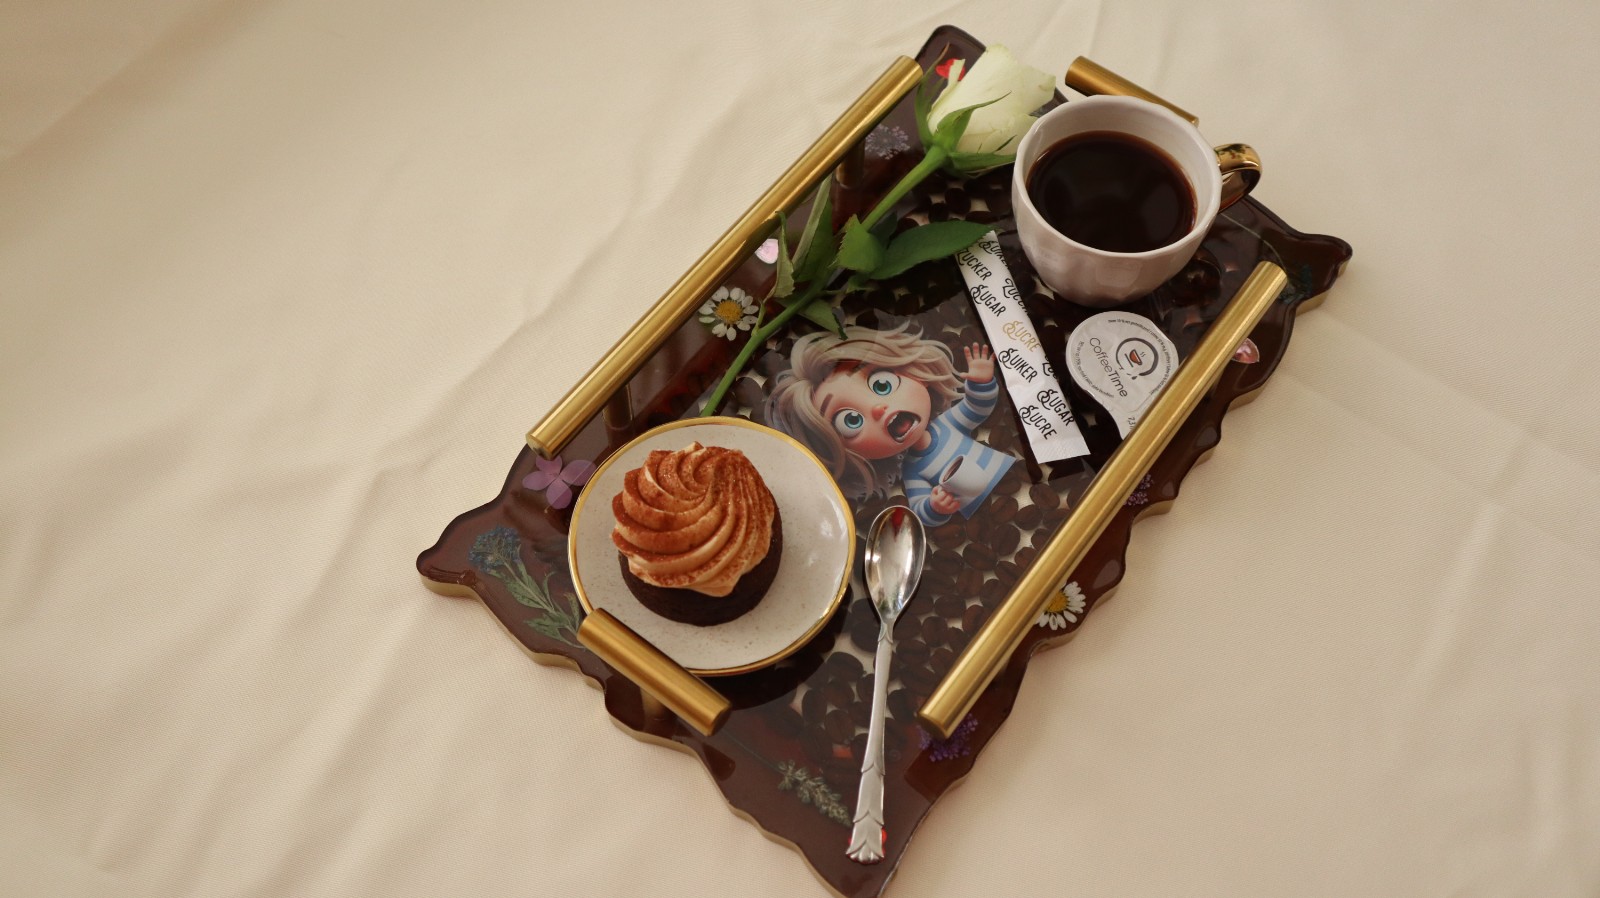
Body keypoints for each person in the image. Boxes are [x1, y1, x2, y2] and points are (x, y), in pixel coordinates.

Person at [765, 323, 1016, 527]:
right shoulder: (912, 470)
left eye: (881, 384)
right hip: (986, 514)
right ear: (848, 454)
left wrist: (981, 382)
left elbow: (976, 408)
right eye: (851, 421)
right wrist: (935, 507)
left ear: (916, 374)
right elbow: (920, 509)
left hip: (1009, 473)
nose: (877, 408)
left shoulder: (947, 424)